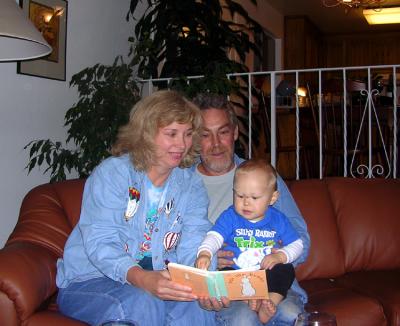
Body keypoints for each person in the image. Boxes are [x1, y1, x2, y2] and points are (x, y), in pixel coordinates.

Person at [56, 90, 217, 326]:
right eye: (171, 134)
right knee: (142, 302)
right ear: (147, 134)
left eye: (188, 134)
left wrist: (203, 282)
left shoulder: (190, 185)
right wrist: (141, 278)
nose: (181, 144)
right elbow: (101, 240)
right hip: (90, 280)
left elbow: (195, 239)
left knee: (197, 309)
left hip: (156, 279)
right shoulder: (114, 174)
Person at [191, 93, 310, 326]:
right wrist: (209, 257)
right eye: (205, 135)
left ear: (235, 132)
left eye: (223, 132)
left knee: (290, 315)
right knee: (243, 319)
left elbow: (302, 240)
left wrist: (276, 254)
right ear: (194, 139)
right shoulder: (183, 184)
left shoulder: (263, 178)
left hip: (274, 285)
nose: (215, 144)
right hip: (223, 289)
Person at [196, 159, 303, 324]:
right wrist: (205, 252)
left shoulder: (278, 219)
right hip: (238, 275)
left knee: (286, 269)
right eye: (239, 195)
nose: (246, 202)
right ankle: (248, 300)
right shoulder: (230, 216)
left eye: (254, 197)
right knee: (223, 275)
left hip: (267, 276)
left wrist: (281, 256)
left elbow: (298, 244)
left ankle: (269, 302)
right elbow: (214, 236)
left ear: (272, 198)